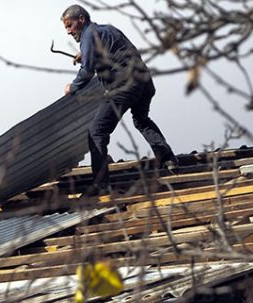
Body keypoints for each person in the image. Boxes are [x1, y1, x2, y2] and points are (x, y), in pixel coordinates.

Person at [62, 4, 179, 195]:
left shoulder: (87, 36)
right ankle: (168, 159)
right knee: (141, 119)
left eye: (69, 25)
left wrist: (72, 88)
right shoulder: (107, 30)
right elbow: (116, 52)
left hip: (124, 85)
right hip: (144, 81)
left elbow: (87, 72)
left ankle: (101, 186)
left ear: (81, 19)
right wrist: (87, 54)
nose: (68, 32)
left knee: (97, 133)